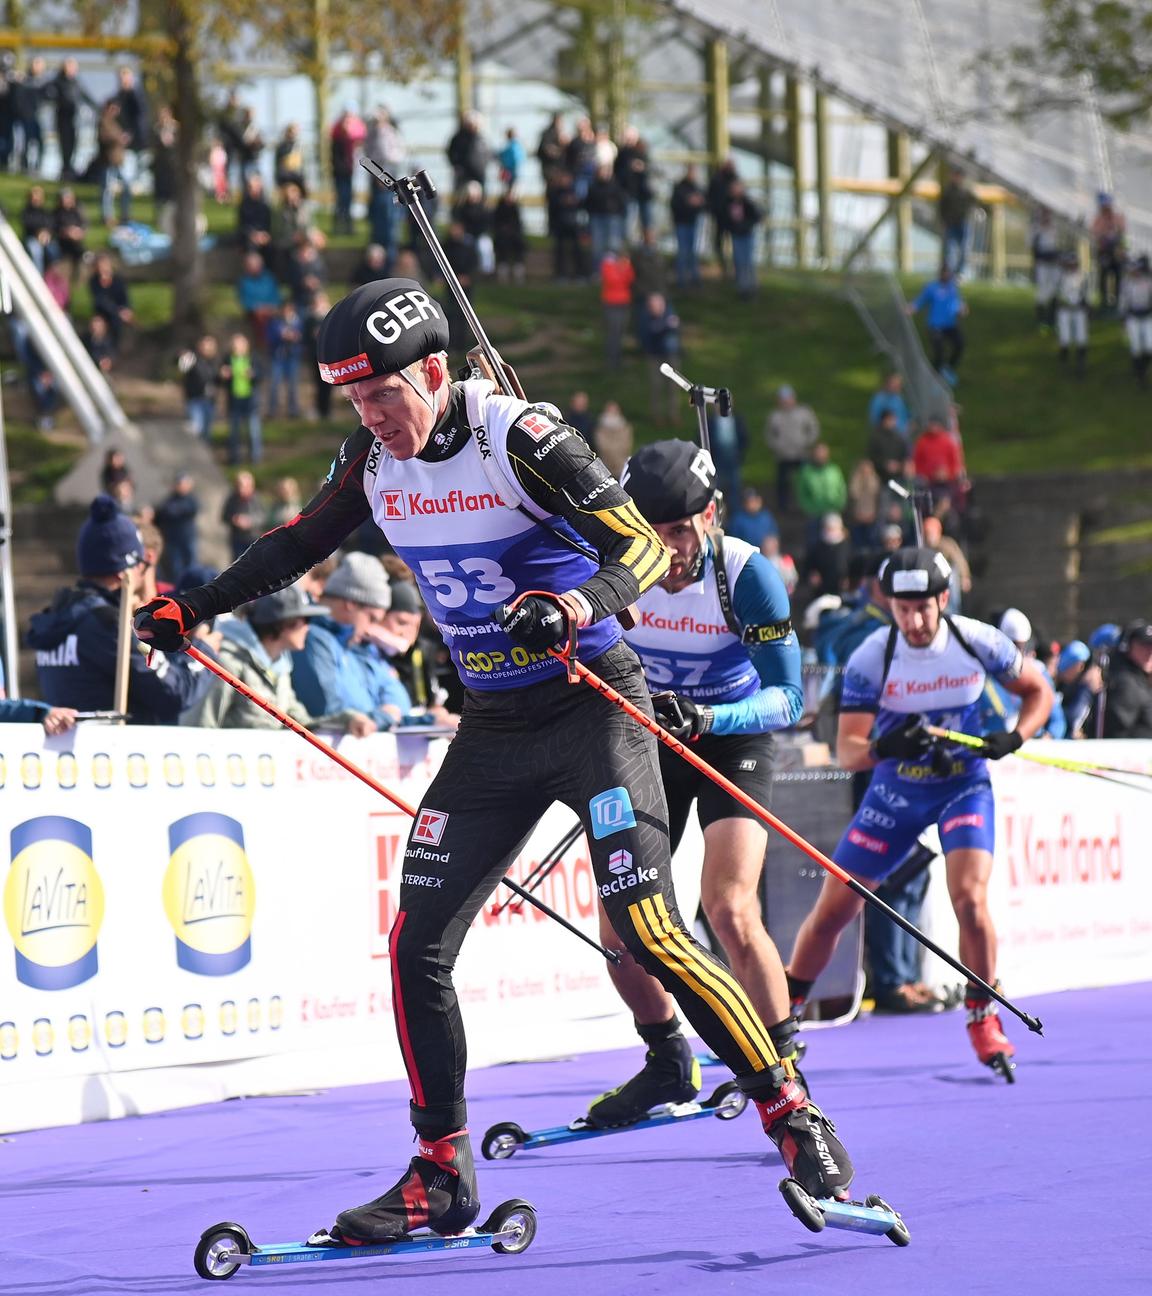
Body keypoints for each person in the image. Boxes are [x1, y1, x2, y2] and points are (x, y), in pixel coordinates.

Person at [133, 274, 858, 1243]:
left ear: (434, 368)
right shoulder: (371, 459)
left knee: (646, 927)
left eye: (385, 392)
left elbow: (639, 547)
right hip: (494, 728)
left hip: (593, 708)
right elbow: (295, 544)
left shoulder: (517, 435)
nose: (372, 415)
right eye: (354, 398)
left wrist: (570, 606)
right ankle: (440, 1171)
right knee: (417, 944)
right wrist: (196, 604)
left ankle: (792, 1111)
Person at [586, 439, 812, 1123]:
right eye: (651, 532)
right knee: (619, 925)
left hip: (730, 732)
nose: (670, 550)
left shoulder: (746, 575)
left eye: (682, 530)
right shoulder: (609, 565)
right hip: (650, 736)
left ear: (710, 516)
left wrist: (709, 714)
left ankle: (785, 1075)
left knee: (729, 906)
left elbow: (790, 699)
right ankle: (665, 1061)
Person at [786, 548, 1054, 1075]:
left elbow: (1038, 691)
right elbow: (848, 750)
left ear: (943, 600)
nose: (912, 620)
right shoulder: (871, 656)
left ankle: (982, 1017)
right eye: (901, 608)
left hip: (961, 785)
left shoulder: (976, 640)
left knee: (971, 900)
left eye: (922, 608)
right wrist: (888, 748)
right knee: (834, 910)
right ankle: (784, 1019)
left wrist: (1014, 736)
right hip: (896, 793)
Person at [27, 495, 213, 723]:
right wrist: (205, 648)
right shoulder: (107, 624)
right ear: (124, 570)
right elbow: (175, 694)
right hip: (117, 753)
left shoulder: (56, 617)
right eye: (140, 565)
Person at [186, 585, 374, 734]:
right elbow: (202, 728)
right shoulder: (227, 665)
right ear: (283, 623)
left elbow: (301, 725)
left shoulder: (281, 668)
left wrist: (347, 720)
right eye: (305, 620)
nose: (308, 628)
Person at [907, 265, 967, 384]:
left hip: (950, 326)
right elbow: (919, 302)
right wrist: (910, 309)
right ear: (940, 274)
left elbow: (959, 306)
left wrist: (962, 310)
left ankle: (948, 369)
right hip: (935, 326)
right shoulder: (931, 288)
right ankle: (935, 376)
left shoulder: (953, 288)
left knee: (960, 344)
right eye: (944, 273)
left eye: (948, 273)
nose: (946, 275)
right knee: (939, 352)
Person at [764, 385, 819, 514]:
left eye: (788, 398)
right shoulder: (775, 416)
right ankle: (783, 507)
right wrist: (777, 446)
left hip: (801, 453)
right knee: (783, 482)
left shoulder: (804, 412)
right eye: (782, 399)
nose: (786, 402)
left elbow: (813, 429)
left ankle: (805, 505)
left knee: (803, 481)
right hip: (783, 455)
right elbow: (769, 434)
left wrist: (806, 442)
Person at [1102, 620, 1152, 738]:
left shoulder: (1138, 679)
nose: (1149, 652)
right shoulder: (1126, 684)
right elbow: (1117, 734)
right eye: (1143, 646)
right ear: (1127, 647)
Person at [220, 334, 264, 465]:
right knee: (234, 433)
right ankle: (234, 459)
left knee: (253, 432)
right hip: (234, 401)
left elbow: (261, 375)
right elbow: (219, 379)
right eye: (235, 345)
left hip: (250, 401)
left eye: (240, 344)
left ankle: (255, 459)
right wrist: (223, 375)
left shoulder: (253, 358)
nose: (237, 347)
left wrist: (253, 374)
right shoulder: (227, 359)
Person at [154, 472, 200, 583]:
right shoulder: (170, 500)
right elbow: (163, 511)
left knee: (191, 566)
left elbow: (191, 509)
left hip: (188, 539)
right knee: (176, 570)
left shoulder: (191, 499)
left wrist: (175, 510)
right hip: (173, 541)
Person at [1118, 254, 1152, 388]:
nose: (1134, 272)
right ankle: (1139, 375)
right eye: (1132, 270)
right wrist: (1122, 320)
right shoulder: (1126, 283)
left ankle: (1142, 368)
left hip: (1147, 316)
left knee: (1150, 347)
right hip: (1133, 318)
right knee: (1136, 347)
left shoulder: (1148, 281)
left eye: (1136, 269)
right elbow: (1123, 302)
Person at [1054, 250, 1090, 376]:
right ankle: (1064, 363)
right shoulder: (1060, 277)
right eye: (1069, 264)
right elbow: (1057, 295)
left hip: (1079, 310)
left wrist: (1086, 306)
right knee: (1065, 338)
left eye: (1074, 264)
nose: (1072, 266)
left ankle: (1081, 364)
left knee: (1081, 337)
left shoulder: (1083, 276)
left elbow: (1086, 295)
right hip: (1065, 310)